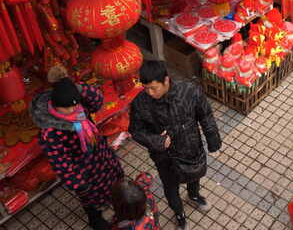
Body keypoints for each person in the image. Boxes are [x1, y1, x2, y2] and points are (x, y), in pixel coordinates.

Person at [129, 60, 221, 230]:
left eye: (153, 88)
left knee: (195, 174)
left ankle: (193, 196)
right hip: (165, 156)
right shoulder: (140, 103)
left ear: (166, 80)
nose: (149, 93)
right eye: (145, 88)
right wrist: (157, 141)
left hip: (190, 146)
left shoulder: (189, 90)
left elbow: (205, 115)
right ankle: (179, 214)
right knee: (170, 187)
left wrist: (213, 141)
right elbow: (136, 130)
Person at [30, 76, 124, 230]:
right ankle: (95, 220)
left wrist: (78, 88)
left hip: (103, 157)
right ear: (54, 105)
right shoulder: (50, 131)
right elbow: (60, 162)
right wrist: (79, 184)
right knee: (91, 200)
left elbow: (97, 100)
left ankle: (117, 204)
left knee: (114, 186)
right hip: (84, 172)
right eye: (66, 108)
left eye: (74, 105)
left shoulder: (80, 108)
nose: (72, 110)